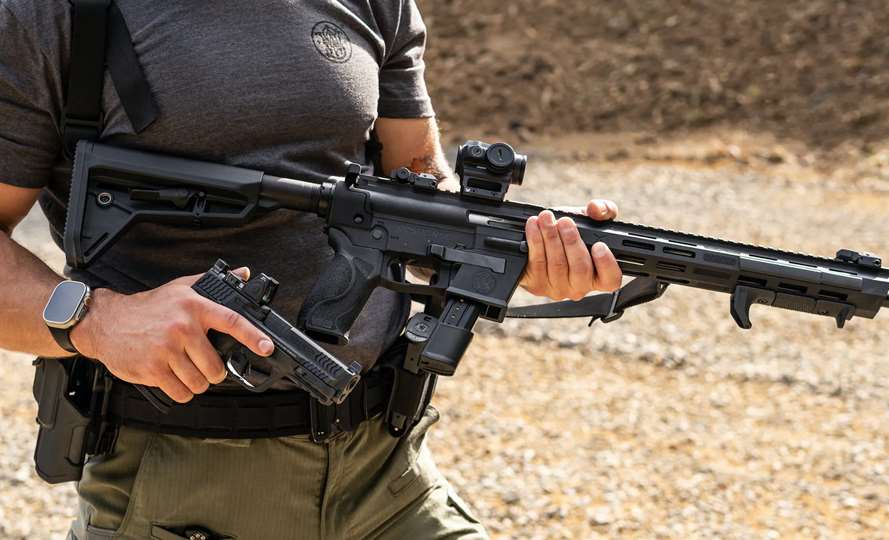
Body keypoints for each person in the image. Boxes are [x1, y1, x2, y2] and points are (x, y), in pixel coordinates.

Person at [0, 1, 622, 538]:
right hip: (179, 483)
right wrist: (96, 320)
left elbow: (422, 187)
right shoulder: (54, 15)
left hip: (386, 473)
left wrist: (520, 252)